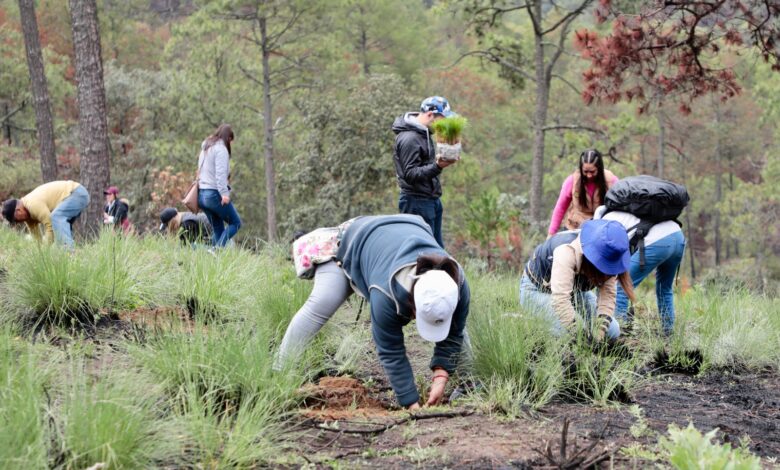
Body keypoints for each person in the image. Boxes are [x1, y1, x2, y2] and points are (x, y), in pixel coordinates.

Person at [277, 214, 470, 409]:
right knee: (321, 304)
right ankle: (278, 373)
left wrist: (440, 376)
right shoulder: (385, 292)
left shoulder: (457, 283)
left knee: (448, 319)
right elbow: (390, 349)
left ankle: (470, 384)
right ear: (411, 303)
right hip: (354, 243)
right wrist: (410, 402)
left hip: (405, 229)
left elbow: (454, 331)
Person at [520, 219, 635, 341]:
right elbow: (560, 299)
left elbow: (607, 298)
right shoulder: (566, 251)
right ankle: (535, 324)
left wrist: (599, 334)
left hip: (575, 292)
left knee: (612, 331)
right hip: (536, 290)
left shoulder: (612, 255)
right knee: (573, 330)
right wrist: (580, 335)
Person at [594, 206, 686, 335]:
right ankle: (668, 332)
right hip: (678, 237)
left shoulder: (606, 221)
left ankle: (620, 333)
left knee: (621, 286)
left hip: (657, 241)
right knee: (664, 288)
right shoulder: (630, 211)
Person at [392, 96, 458, 248]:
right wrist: (438, 166)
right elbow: (410, 174)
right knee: (423, 252)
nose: (444, 123)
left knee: (437, 249)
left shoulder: (424, 133)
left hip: (430, 199)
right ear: (430, 115)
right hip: (415, 202)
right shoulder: (410, 138)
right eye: (442, 119)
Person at [547, 149, 618, 238]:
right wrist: (551, 233)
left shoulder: (611, 181)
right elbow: (560, 208)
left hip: (601, 230)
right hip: (574, 229)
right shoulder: (572, 181)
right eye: (585, 171)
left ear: (599, 168)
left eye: (592, 172)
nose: (589, 175)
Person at [1, 180, 90, 248]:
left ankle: (69, 254)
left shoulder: (33, 205)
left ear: (18, 210)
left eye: (15, 220)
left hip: (76, 193)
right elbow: (38, 241)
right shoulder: (28, 217)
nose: (18, 223)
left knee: (56, 217)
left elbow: (49, 227)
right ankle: (69, 257)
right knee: (60, 232)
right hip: (71, 197)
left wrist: (45, 251)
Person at [197, 124, 241, 247]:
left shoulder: (206, 148)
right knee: (236, 223)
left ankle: (212, 257)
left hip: (202, 195)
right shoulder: (221, 150)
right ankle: (215, 250)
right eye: (231, 141)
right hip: (214, 194)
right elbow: (220, 174)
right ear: (228, 138)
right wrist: (224, 194)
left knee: (218, 229)